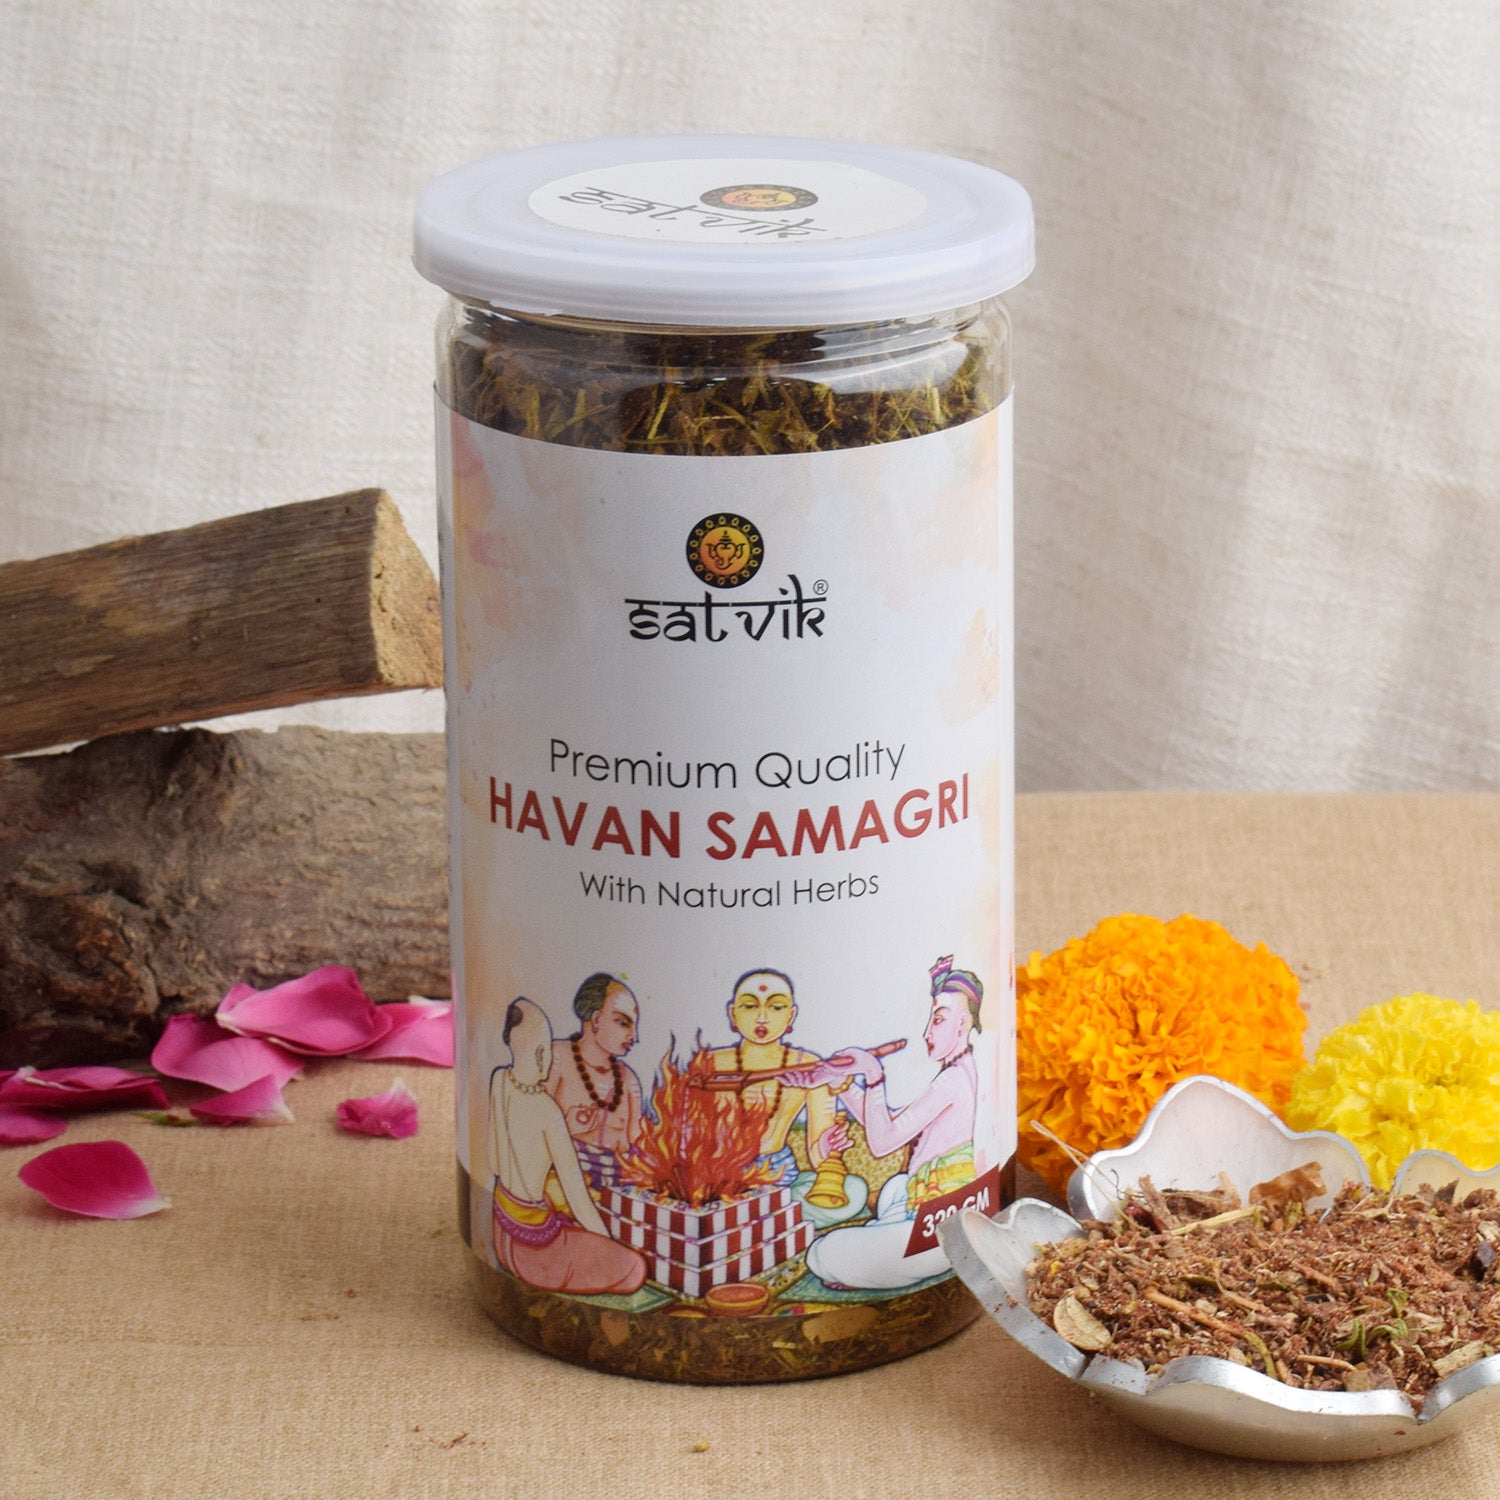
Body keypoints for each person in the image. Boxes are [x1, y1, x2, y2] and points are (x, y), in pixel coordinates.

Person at [781, 957, 982, 1291]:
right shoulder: (959, 1069)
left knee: (821, 1254)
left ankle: (876, 1254)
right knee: (894, 1190)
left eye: (938, 1020)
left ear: (961, 1023)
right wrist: (842, 1081)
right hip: (925, 1205)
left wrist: (873, 1075)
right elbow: (893, 1124)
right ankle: (882, 1245)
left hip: (941, 1228)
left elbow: (883, 1142)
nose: (927, 1033)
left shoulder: (953, 1080)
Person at [487, 997, 646, 1295]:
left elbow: (494, 1161)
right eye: (548, 1048)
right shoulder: (548, 1112)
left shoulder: (499, 1080)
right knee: (634, 1268)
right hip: (536, 1250)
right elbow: (578, 1198)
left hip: (500, 1232)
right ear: (541, 1054)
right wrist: (606, 1245)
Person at [706, 968, 867, 1227]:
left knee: (855, 1189)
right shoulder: (709, 1064)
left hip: (778, 1174)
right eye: (749, 1006)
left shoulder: (809, 1066)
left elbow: (818, 1150)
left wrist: (827, 1148)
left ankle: (762, 1217)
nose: (762, 1018)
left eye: (776, 1007)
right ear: (733, 1014)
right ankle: (765, 1218)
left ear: (791, 1015)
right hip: (720, 1176)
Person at [545, 972, 644, 1189]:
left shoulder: (628, 1081)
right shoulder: (556, 1057)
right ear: (597, 1020)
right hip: (562, 1186)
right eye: (623, 1023)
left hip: (618, 1189)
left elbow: (637, 1141)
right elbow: (531, 1126)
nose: (634, 1036)